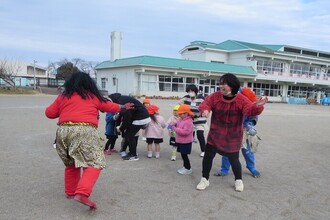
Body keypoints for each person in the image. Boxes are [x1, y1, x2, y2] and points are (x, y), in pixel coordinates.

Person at [45, 72, 133, 210]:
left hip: (63, 132)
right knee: (94, 163)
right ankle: (82, 193)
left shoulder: (63, 96)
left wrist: (64, 107)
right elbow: (110, 107)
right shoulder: (92, 96)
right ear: (89, 83)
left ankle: (70, 192)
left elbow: (49, 113)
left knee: (71, 163)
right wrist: (123, 107)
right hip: (84, 131)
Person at [196, 73, 267, 192]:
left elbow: (249, 110)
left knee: (234, 159)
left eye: (224, 84)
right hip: (215, 134)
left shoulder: (241, 99)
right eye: (220, 83)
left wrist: (257, 106)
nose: (221, 86)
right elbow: (206, 103)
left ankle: (238, 180)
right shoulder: (215, 96)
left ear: (232, 85)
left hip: (233, 136)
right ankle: (204, 179)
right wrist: (205, 110)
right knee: (208, 157)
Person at [215, 87, 261, 178]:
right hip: (231, 131)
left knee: (247, 151)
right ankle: (224, 169)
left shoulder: (250, 105)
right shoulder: (230, 104)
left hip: (244, 132)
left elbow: (253, 118)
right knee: (227, 151)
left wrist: (250, 125)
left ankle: (251, 167)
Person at [109, 93, 151, 161]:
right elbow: (122, 115)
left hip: (140, 118)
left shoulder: (122, 102)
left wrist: (121, 128)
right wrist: (121, 127)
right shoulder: (121, 99)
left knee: (129, 135)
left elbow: (127, 118)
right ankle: (132, 153)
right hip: (141, 117)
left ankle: (133, 155)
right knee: (129, 135)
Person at [180, 84, 207, 157]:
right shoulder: (185, 98)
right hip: (190, 121)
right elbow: (180, 106)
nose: (190, 92)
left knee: (200, 135)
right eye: (188, 91)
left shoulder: (201, 98)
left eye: (191, 91)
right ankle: (187, 150)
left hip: (200, 120)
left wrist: (201, 113)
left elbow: (206, 108)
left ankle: (204, 150)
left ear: (195, 91)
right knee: (189, 136)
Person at [170, 104, 194, 175]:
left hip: (186, 142)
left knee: (184, 155)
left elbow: (186, 132)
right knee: (183, 155)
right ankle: (185, 166)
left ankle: (188, 168)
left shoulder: (189, 122)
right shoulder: (181, 119)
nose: (179, 115)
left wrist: (175, 129)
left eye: (181, 114)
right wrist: (173, 124)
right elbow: (177, 122)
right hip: (180, 141)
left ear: (186, 113)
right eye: (179, 114)